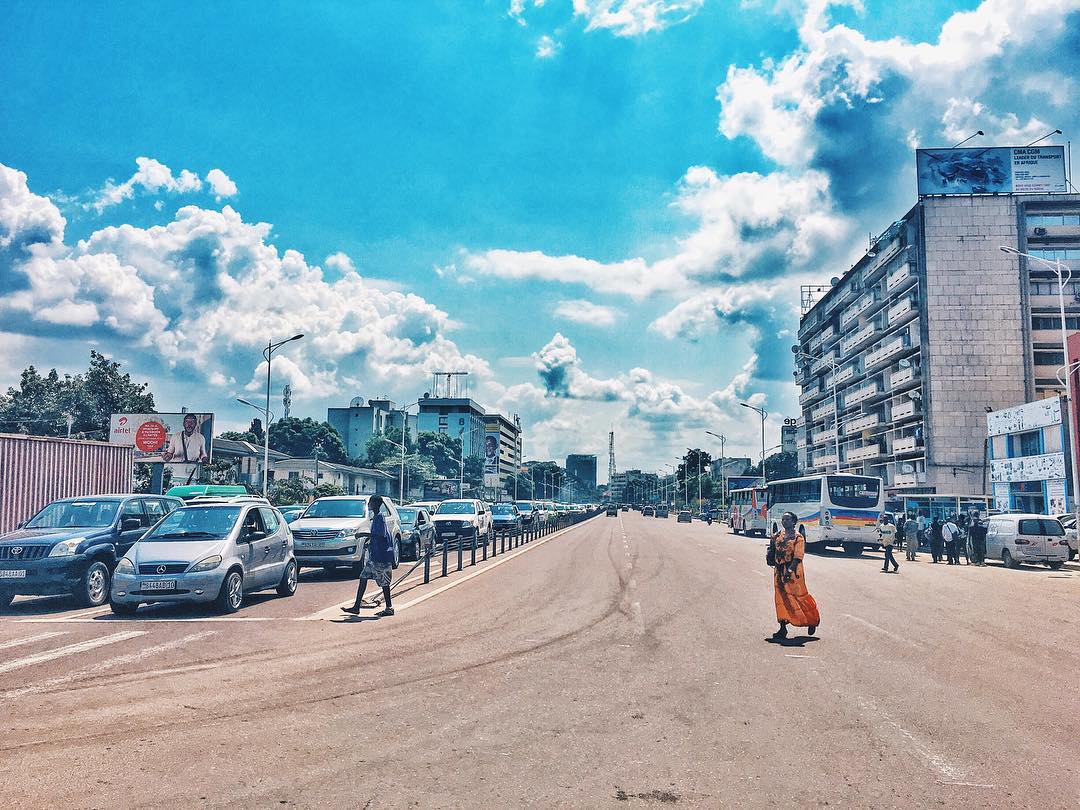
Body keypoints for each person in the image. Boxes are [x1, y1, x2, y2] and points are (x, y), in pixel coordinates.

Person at [767, 511, 820, 640]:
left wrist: (789, 572)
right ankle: (782, 628)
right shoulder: (777, 535)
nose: (784, 522)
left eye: (788, 520)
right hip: (779, 571)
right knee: (781, 598)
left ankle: (812, 620)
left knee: (798, 597)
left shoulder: (798, 538)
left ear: (794, 522)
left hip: (794, 573)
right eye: (783, 519)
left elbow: (798, 557)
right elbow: (772, 550)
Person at [342, 495, 396, 618]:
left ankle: (389, 607)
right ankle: (356, 606)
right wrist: (369, 542)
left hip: (381, 556)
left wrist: (363, 534)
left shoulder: (380, 518)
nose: (368, 505)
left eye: (370, 502)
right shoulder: (376, 517)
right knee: (364, 577)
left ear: (376, 504)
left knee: (384, 583)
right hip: (376, 556)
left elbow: (380, 535)